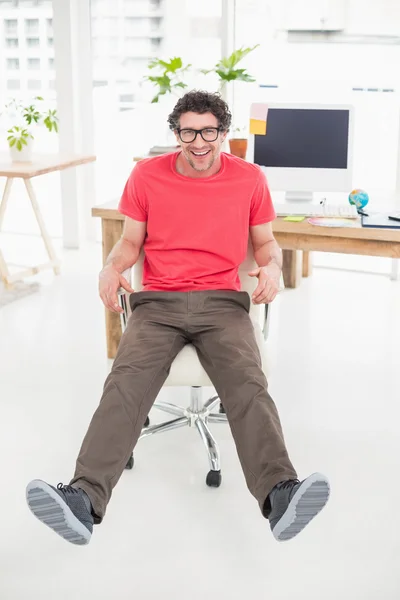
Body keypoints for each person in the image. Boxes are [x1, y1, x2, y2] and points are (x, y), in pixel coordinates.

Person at [26, 90, 329, 546]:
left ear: (223, 134)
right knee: (124, 383)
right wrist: (112, 266)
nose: (199, 142)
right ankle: (82, 500)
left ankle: (280, 494)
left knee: (248, 384)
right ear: (176, 134)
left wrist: (271, 265)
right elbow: (130, 243)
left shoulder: (249, 179)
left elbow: (266, 244)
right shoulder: (147, 175)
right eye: (189, 132)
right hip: (159, 304)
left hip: (223, 303)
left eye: (209, 131)